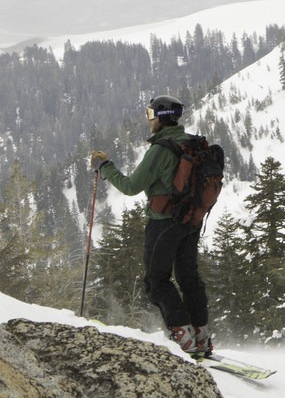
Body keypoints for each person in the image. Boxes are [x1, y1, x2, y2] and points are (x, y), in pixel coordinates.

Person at [91, 94, 213, 359]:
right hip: (191, 221)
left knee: (156, 281)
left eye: (150, 115)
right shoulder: (191, 144)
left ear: (162, 118)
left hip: (164, 223)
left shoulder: (162, 149)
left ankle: (182, 335)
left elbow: (131, 186)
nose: (149, 121)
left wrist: (105, 167)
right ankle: (200, 335)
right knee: (189, 278)